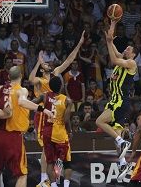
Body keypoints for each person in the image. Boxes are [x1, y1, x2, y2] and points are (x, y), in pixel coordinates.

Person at [29, 31, 85, 184]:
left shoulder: (55, 74)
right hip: (43, 114)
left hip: (55, 114)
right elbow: (29, 79)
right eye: (46, 64)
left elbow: (68, 61)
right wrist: (38, 62)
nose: (49, 64)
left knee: (53, 152)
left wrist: (79, 45)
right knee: (45, 150)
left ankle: (49, 179)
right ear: (42, 68)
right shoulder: (40, 80)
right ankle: (44, 179)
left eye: (48, 63)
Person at [0, 66, 53, 187]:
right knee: (22, 174)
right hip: (13, 136)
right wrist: (42, 109)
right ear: (21, 75)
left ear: (8, 76)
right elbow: (22, 102)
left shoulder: (0, 88)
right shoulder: (21, 90)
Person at [95, 20, 138, 177]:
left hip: (119, 101)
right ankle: (123, 164)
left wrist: (109, 43)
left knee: (99, 121)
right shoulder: (123, 59)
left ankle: (123, 142)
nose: (125, 48)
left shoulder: (131, 63)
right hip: (118, 102)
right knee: (116, 138)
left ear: (133, 54)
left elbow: (113, 59)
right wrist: (111, 32)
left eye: (129, 48)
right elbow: (112, 47)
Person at [40, 76, 73, 187]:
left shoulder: (45, 96)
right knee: (67, 162)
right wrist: (70, 131)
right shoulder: (67, 100)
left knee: (50, 162)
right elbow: (66, 120)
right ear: (61, 86)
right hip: (60, 133)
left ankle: (53, 185)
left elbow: (33, 103)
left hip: (47, 132)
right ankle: (66, 185)